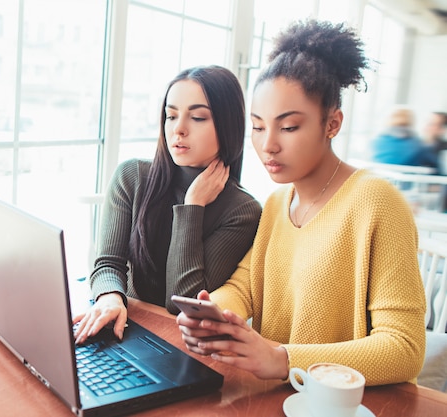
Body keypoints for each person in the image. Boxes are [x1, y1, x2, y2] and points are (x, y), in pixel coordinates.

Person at [176, 20, 426, 387]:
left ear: (332, 123)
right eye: (258, 127)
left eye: (288, 127)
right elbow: (246, 285)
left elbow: (405, 348)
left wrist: (283, 359)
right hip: (281, 397)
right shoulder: (277, 203)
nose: (268, 145)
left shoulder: (377, 202)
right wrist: (214, 312)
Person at [74, 65, 262, 344]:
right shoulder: (132, 176)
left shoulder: (243, 210)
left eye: (197, 117)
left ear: (228, 126)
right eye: (171, 115)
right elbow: (107, 263)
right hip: (122, 327)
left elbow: (182, 302)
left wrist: (192, 207)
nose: (179, 129)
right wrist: (110, 297)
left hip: (179, 346)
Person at [372, 106, 437, 167]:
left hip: (376, 178)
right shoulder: (420, 144)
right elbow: (434, 165)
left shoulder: (375, 141)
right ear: (412, 121)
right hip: (408, 178)